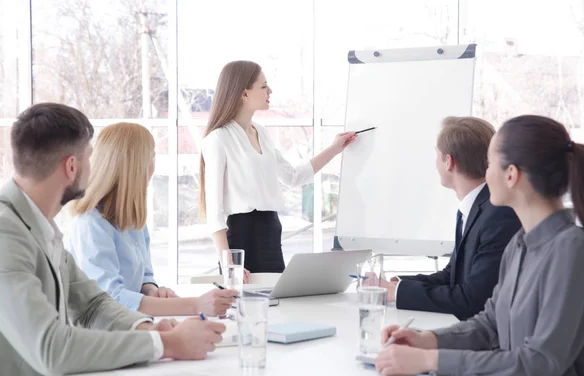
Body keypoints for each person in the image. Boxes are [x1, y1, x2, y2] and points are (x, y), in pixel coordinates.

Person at [0, 103, 226, 376]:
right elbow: (51, 348)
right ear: (72, 167)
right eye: (90, 155)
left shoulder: (41, 225)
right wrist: (166, 343)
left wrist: (149, 328)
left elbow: (93, 304)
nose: (96, 165)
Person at [375, 114, 584, 376]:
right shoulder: (518, 246)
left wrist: (431, 361)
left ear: (511, 175)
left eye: (489, 164)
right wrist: (426, 340)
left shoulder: (571, 250)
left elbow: (540, 362)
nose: (484, 174)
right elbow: (489, 324)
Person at [200, 60, 356, 274]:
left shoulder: (261, 133)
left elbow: (293, 177)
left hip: (270, 230)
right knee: (244, 304)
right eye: (263, 86)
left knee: (274, 304)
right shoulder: (218, 139)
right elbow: (214, 211)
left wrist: (335, 148)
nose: (270, 91)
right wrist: (229, 264)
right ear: (244, 94)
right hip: (241, 237)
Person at [68, 122, 237, 316]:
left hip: (131, 326)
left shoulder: (131, 219)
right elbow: (110, 298)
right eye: (151, 156)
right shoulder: (91, 224)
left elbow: (144, 275)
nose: (153, 165)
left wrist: (151, 289)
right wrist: (196, 305)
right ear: (134, 165)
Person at [378, 116, 521, 320]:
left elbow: (473, 299)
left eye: (437, 155)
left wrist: (397, 292)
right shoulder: (477, 205)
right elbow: (452, 275)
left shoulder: (498, 214)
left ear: (448, 161)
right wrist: (397, 284)